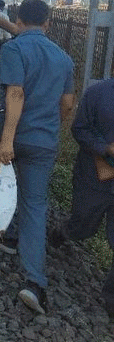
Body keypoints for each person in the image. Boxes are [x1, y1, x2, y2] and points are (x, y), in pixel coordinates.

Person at [0, 0, 75, 315]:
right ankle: (35, 283)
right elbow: (67, 103)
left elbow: (15, 93)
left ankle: (1, 231)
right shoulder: (63, 58)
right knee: (35, 206)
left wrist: (7, 139)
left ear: (19, 19)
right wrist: (50, 131)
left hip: (10, 134)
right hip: (43, 141)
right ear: (48, 23)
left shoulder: (15, 48)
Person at [51, 78, 114, 318]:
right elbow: (79, 129)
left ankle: (111, 300)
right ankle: (64, 231)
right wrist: (105, 149)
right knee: (84, 227)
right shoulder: (98, 93)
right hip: (93, 178)